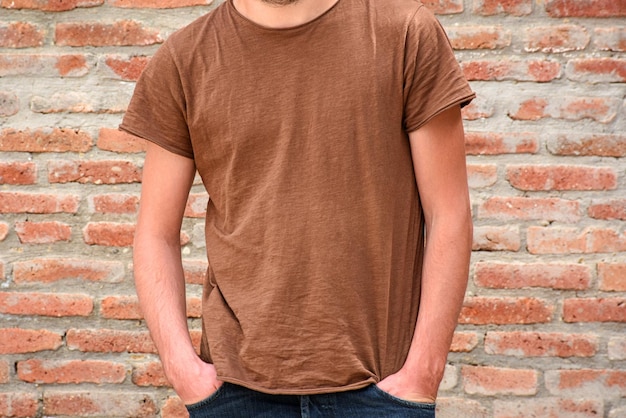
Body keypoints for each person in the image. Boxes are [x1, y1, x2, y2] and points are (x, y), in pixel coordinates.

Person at [121, 0, 475, 416]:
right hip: (235, 391)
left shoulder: (405, 33)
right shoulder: (185, 58)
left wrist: (422, 373)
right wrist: (183, 369)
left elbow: (449, 213)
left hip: (380, 388)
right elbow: (155, 234)